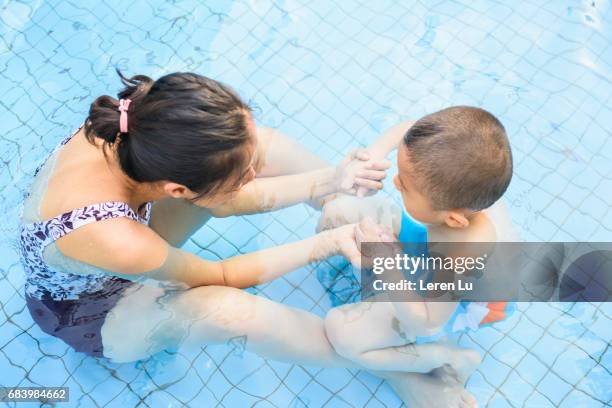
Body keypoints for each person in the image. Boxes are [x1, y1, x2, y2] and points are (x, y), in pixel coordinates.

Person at [320, 106, 515, 407]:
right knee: (338, 211)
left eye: (406, 185)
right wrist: (374, 156)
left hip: (453, 305)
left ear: (453, 220)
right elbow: (408, 130)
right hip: (427, 241)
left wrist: (387, 264)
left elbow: (425, 322)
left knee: (340, 333)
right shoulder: (456, 179)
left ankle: (445, 358)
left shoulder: (462, 255)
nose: (396, 182)